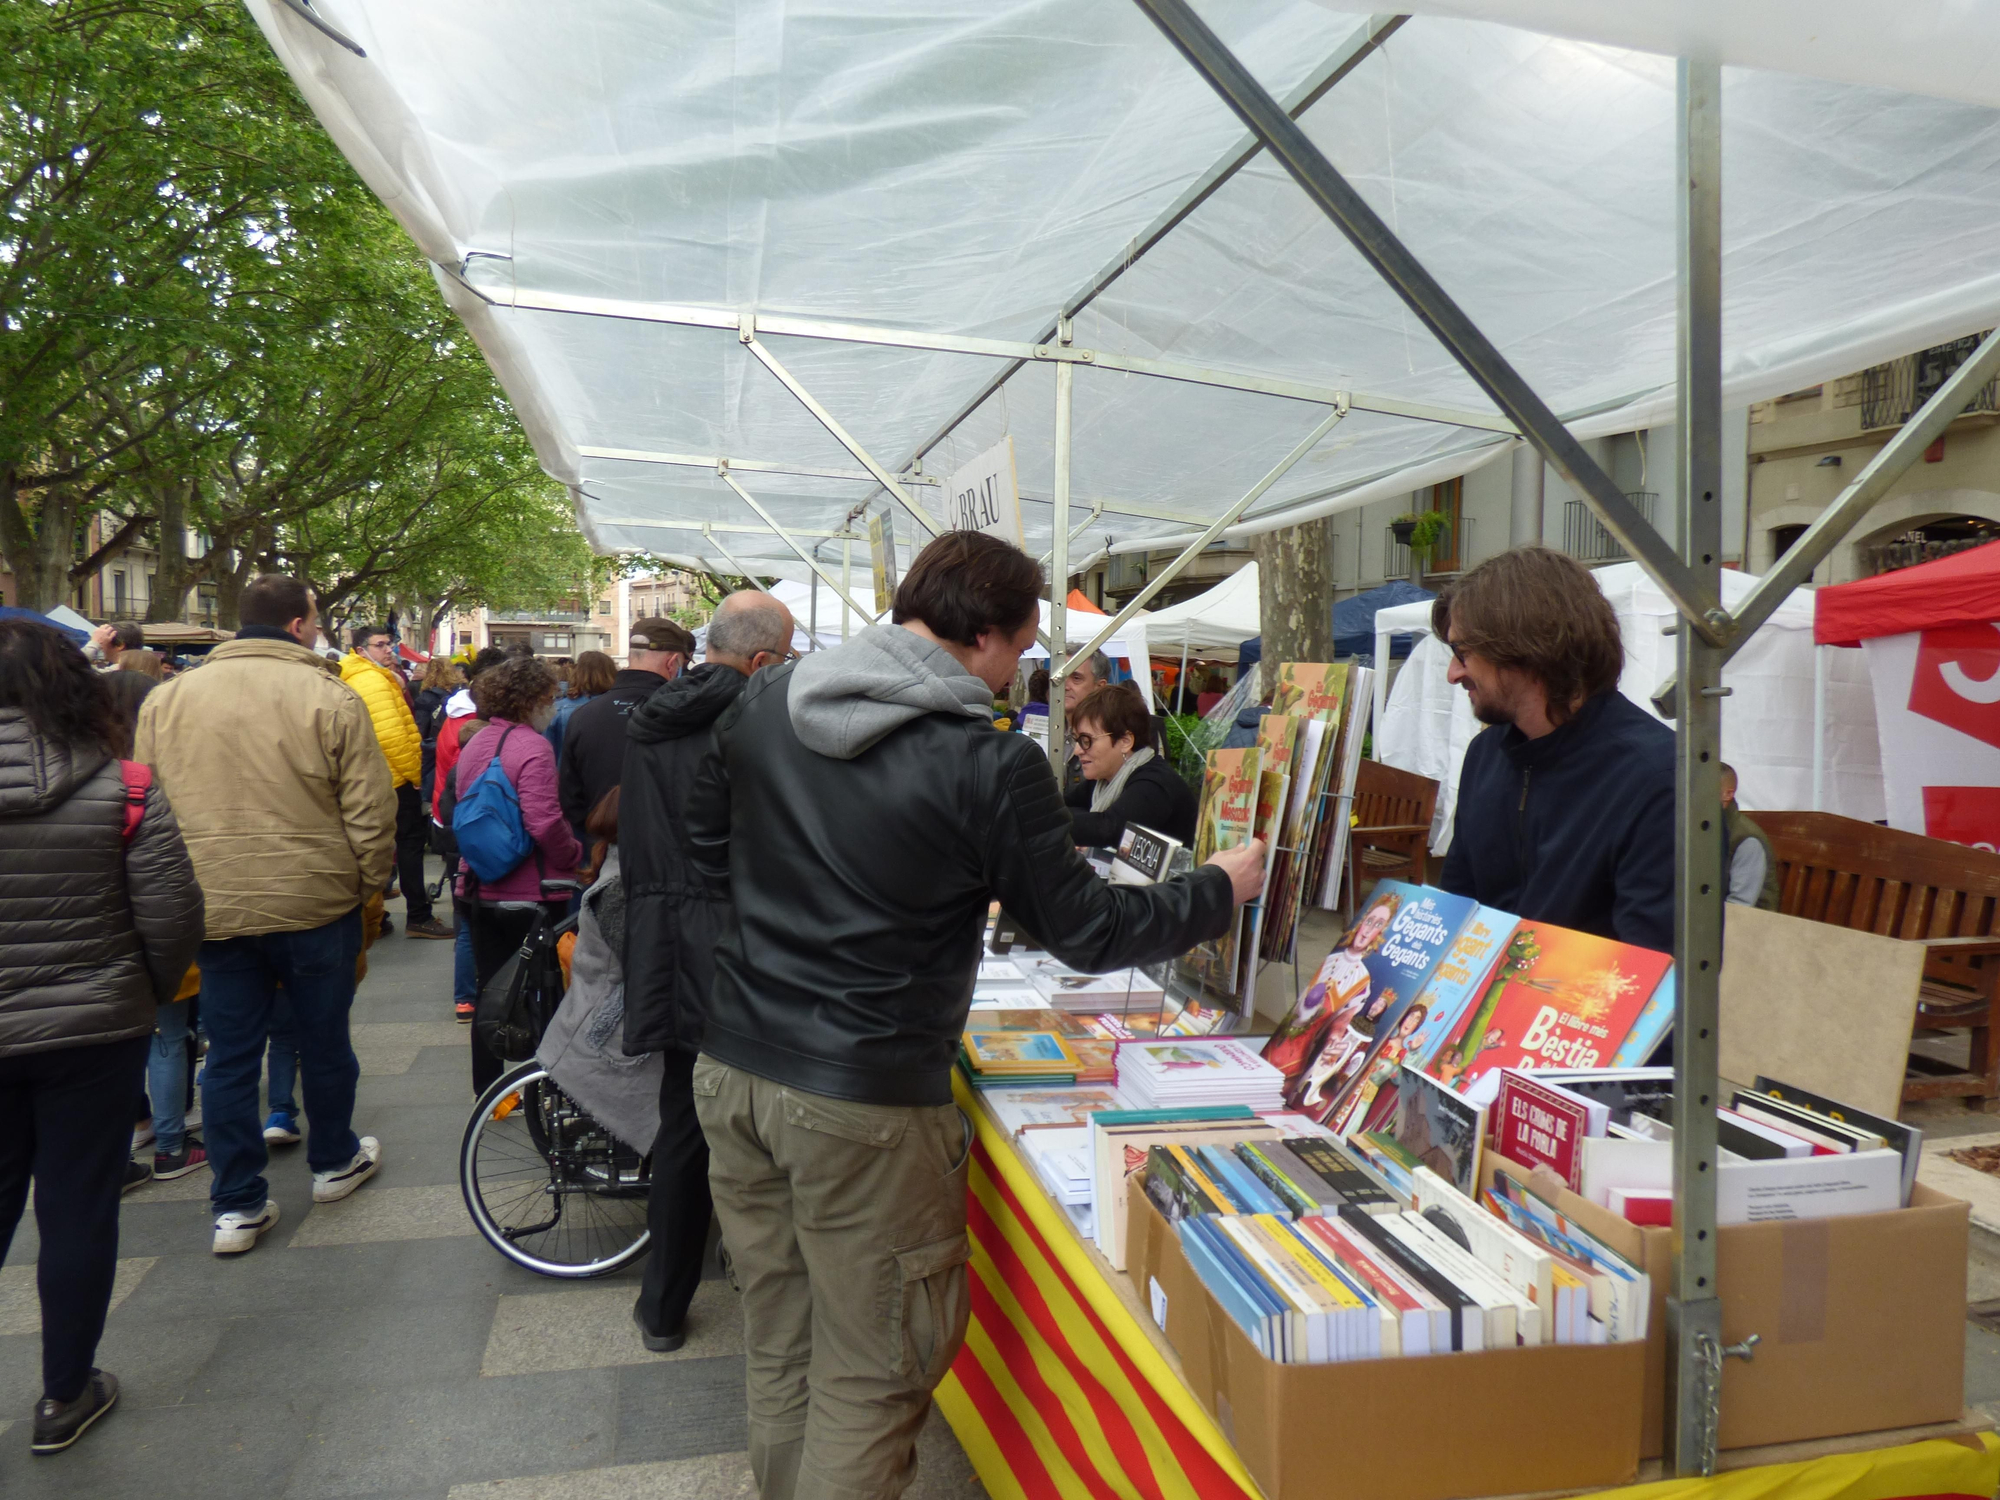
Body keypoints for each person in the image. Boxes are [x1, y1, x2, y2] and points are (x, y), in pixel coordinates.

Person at [685, 531, 1266, 1499]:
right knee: (869, 1376)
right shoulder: (985, 763)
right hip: (863, 1097)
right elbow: (1081, 928)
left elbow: (708, 851)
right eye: (1027, 649)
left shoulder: (764, 704)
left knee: (782, 1340)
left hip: (738, 1065)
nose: (1025, 672)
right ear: (988, 638)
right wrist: (1216, 890)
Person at [135, 574, 394, 1256]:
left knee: (227, 1057)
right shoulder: (328, 696)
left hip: (213, 906)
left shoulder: (168, 701)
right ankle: (334, 1160)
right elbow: (369, 810)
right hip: (315, 900)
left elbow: (145, 811)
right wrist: (365, 887)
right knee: (324, 1039)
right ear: (299, 624)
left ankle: (238, 1203)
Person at [0, 619, 204, 1453]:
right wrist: (144, 994)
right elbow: (172, 912)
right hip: (94, 1028)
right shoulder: (123, 786)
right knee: (79, 1209)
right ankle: (63, 1393)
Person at [621, 589, 796, 1353]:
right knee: (750, 1124)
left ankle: (662, 1304)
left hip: (660, 937)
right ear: (760, 661)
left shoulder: (652, 718)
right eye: (783, 660)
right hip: (731, 942)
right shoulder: (754, 720)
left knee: (684, 1124)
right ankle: (757, 1289)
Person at [1434, 546, 1674, 951]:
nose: (1453, 673)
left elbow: (1653, 968)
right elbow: (1458, 907)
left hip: (1579, 1010)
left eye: (1463, 653)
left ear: (1526, 648)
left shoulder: (1657, 779)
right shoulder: (1485, 755)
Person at [453, 656, 583, 1095]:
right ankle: (540, 1088)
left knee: (490, 990)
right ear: (531, 700)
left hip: (476, 887)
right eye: (549, 698)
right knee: (543, 994)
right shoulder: (533, 747)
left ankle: (488, 1092)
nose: (553, 706)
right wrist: (575, 854)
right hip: (532, 892)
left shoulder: (475, 743)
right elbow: (544, 821)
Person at [344, 625, 449, 940]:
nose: (389, 650)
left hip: (380, 775)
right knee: (409, 844)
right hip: (394, 777)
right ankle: (418, 915)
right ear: (362, 650)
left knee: (378, 846)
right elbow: (391, 736)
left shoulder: (369, 676)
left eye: (389, 644)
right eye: (381, 645)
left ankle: (376, 915)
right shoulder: (372, 680)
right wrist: (414, 775)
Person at [558, 619, 693, 842]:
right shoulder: (683, 714)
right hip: (664, 848)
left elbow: (569, 797)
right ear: (672, 664)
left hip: (599, 849)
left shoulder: (583, 715)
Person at [1063, 682, 1196, 847]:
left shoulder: (1155, 783)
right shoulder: (1103, 779)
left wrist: (1045, 823)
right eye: (1076, 740)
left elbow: (1110, 830)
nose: (1077, 750)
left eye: (1086, 740)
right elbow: (1063, 806)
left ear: (1125, 741)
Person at [1720, 763, 1780, 910]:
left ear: (1728, 794)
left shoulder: (1747, 839)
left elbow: (1740, 905)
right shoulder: (1702, 828)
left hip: (1751, 926)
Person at [547, 648, 616, 765]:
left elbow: (546, 752)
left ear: (577, 673)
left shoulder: (557, 709)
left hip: (567, 777)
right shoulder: (621, 707)